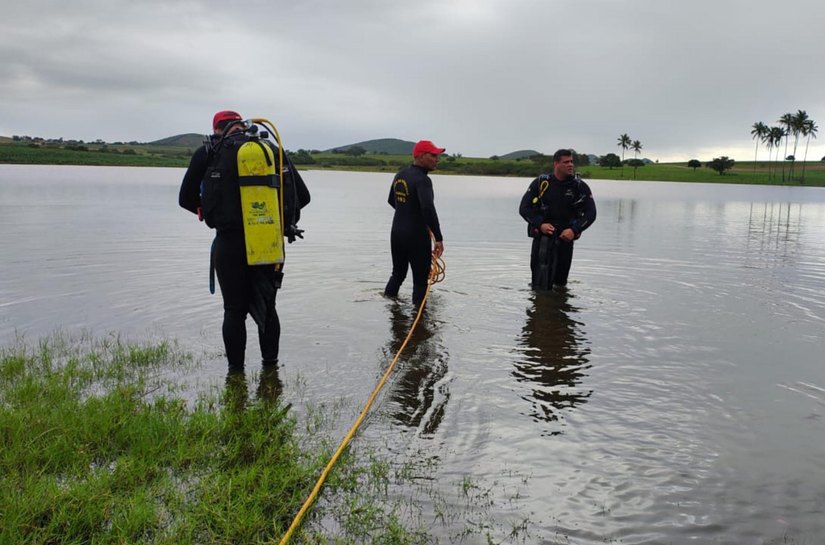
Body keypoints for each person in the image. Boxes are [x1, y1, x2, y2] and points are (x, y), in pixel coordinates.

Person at [179, 110, 310, 371]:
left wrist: (205, 209)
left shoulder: (209, 151)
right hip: (268, 241)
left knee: (233, 310)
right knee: (268, 308)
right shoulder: (270, 149)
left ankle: (235, 375)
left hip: (229, 242)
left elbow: (185, 199)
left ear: (217, 129)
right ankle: (271, 370)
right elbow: (303, 196)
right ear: (241, 125)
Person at [518, 149, 596, 289]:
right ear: (556, 164)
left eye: (571, 161)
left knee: (560, 284)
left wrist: (574, 230)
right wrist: (540, 225)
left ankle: (559, 298)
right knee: (539, 283)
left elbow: (591, 213)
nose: (570, 165)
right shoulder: (541, 183)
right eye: (566, 162)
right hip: (543, 237)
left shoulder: (579, 186)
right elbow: (524, 208)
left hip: (565, 238)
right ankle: (543, 301)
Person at [383, 139, 445, 308]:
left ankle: (390, 310)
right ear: (421, 156)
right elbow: (428, 208)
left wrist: (406, 212)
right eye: (433, 155)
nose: (437, 159)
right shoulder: (423, 180)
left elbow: (391, 200)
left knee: (397, 274)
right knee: (420, 281)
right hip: (416, 235)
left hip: (397, 232)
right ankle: (420, 320)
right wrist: (438, 238)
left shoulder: (400, 174)